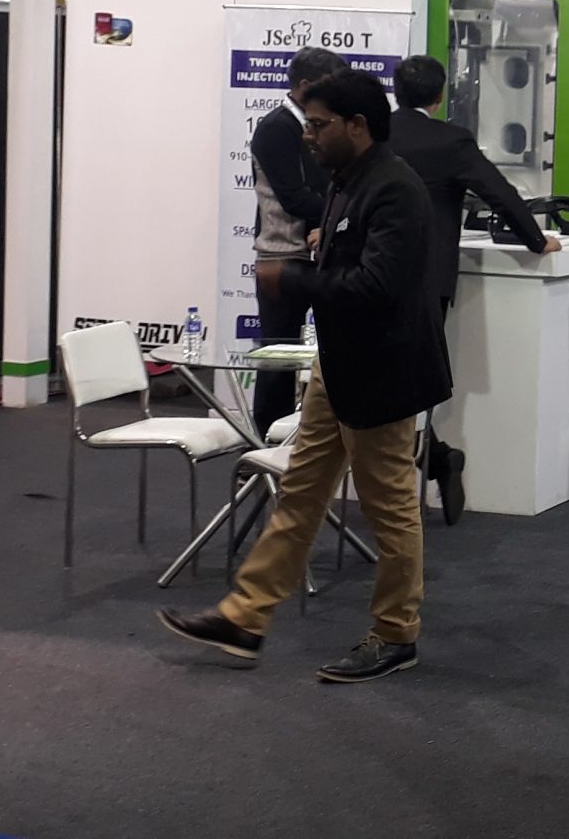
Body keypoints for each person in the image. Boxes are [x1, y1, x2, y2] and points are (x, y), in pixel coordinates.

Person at [159, 69, 447, 683]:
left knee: (391, 509)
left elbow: (375, 287)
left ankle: (396, 634)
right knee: (300, 493)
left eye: (318, 125)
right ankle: (245, 616)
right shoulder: (348, 180)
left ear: (357, 125)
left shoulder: (395, 188)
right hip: (337, 366)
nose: (308, 135)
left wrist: (291, 277)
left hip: (382, 371)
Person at [386, 53, 560, 522]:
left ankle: (426, 466)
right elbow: (500, 193)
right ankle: (436, 460)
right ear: (440, 96)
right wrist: (536, 240)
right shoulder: (451, 140)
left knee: (387, 380)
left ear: (396, 91)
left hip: (370, 276)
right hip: (427, 280)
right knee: (413, 379)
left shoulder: (374, 134)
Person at [248, 46, 343, 435]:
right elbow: (294, 197)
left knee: (333, 355)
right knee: (278, 362)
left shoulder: (320, 125)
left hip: (320, 254)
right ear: (304, 85)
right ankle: (263, 447)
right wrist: (345, 211)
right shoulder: (277, 128)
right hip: (282, 257)